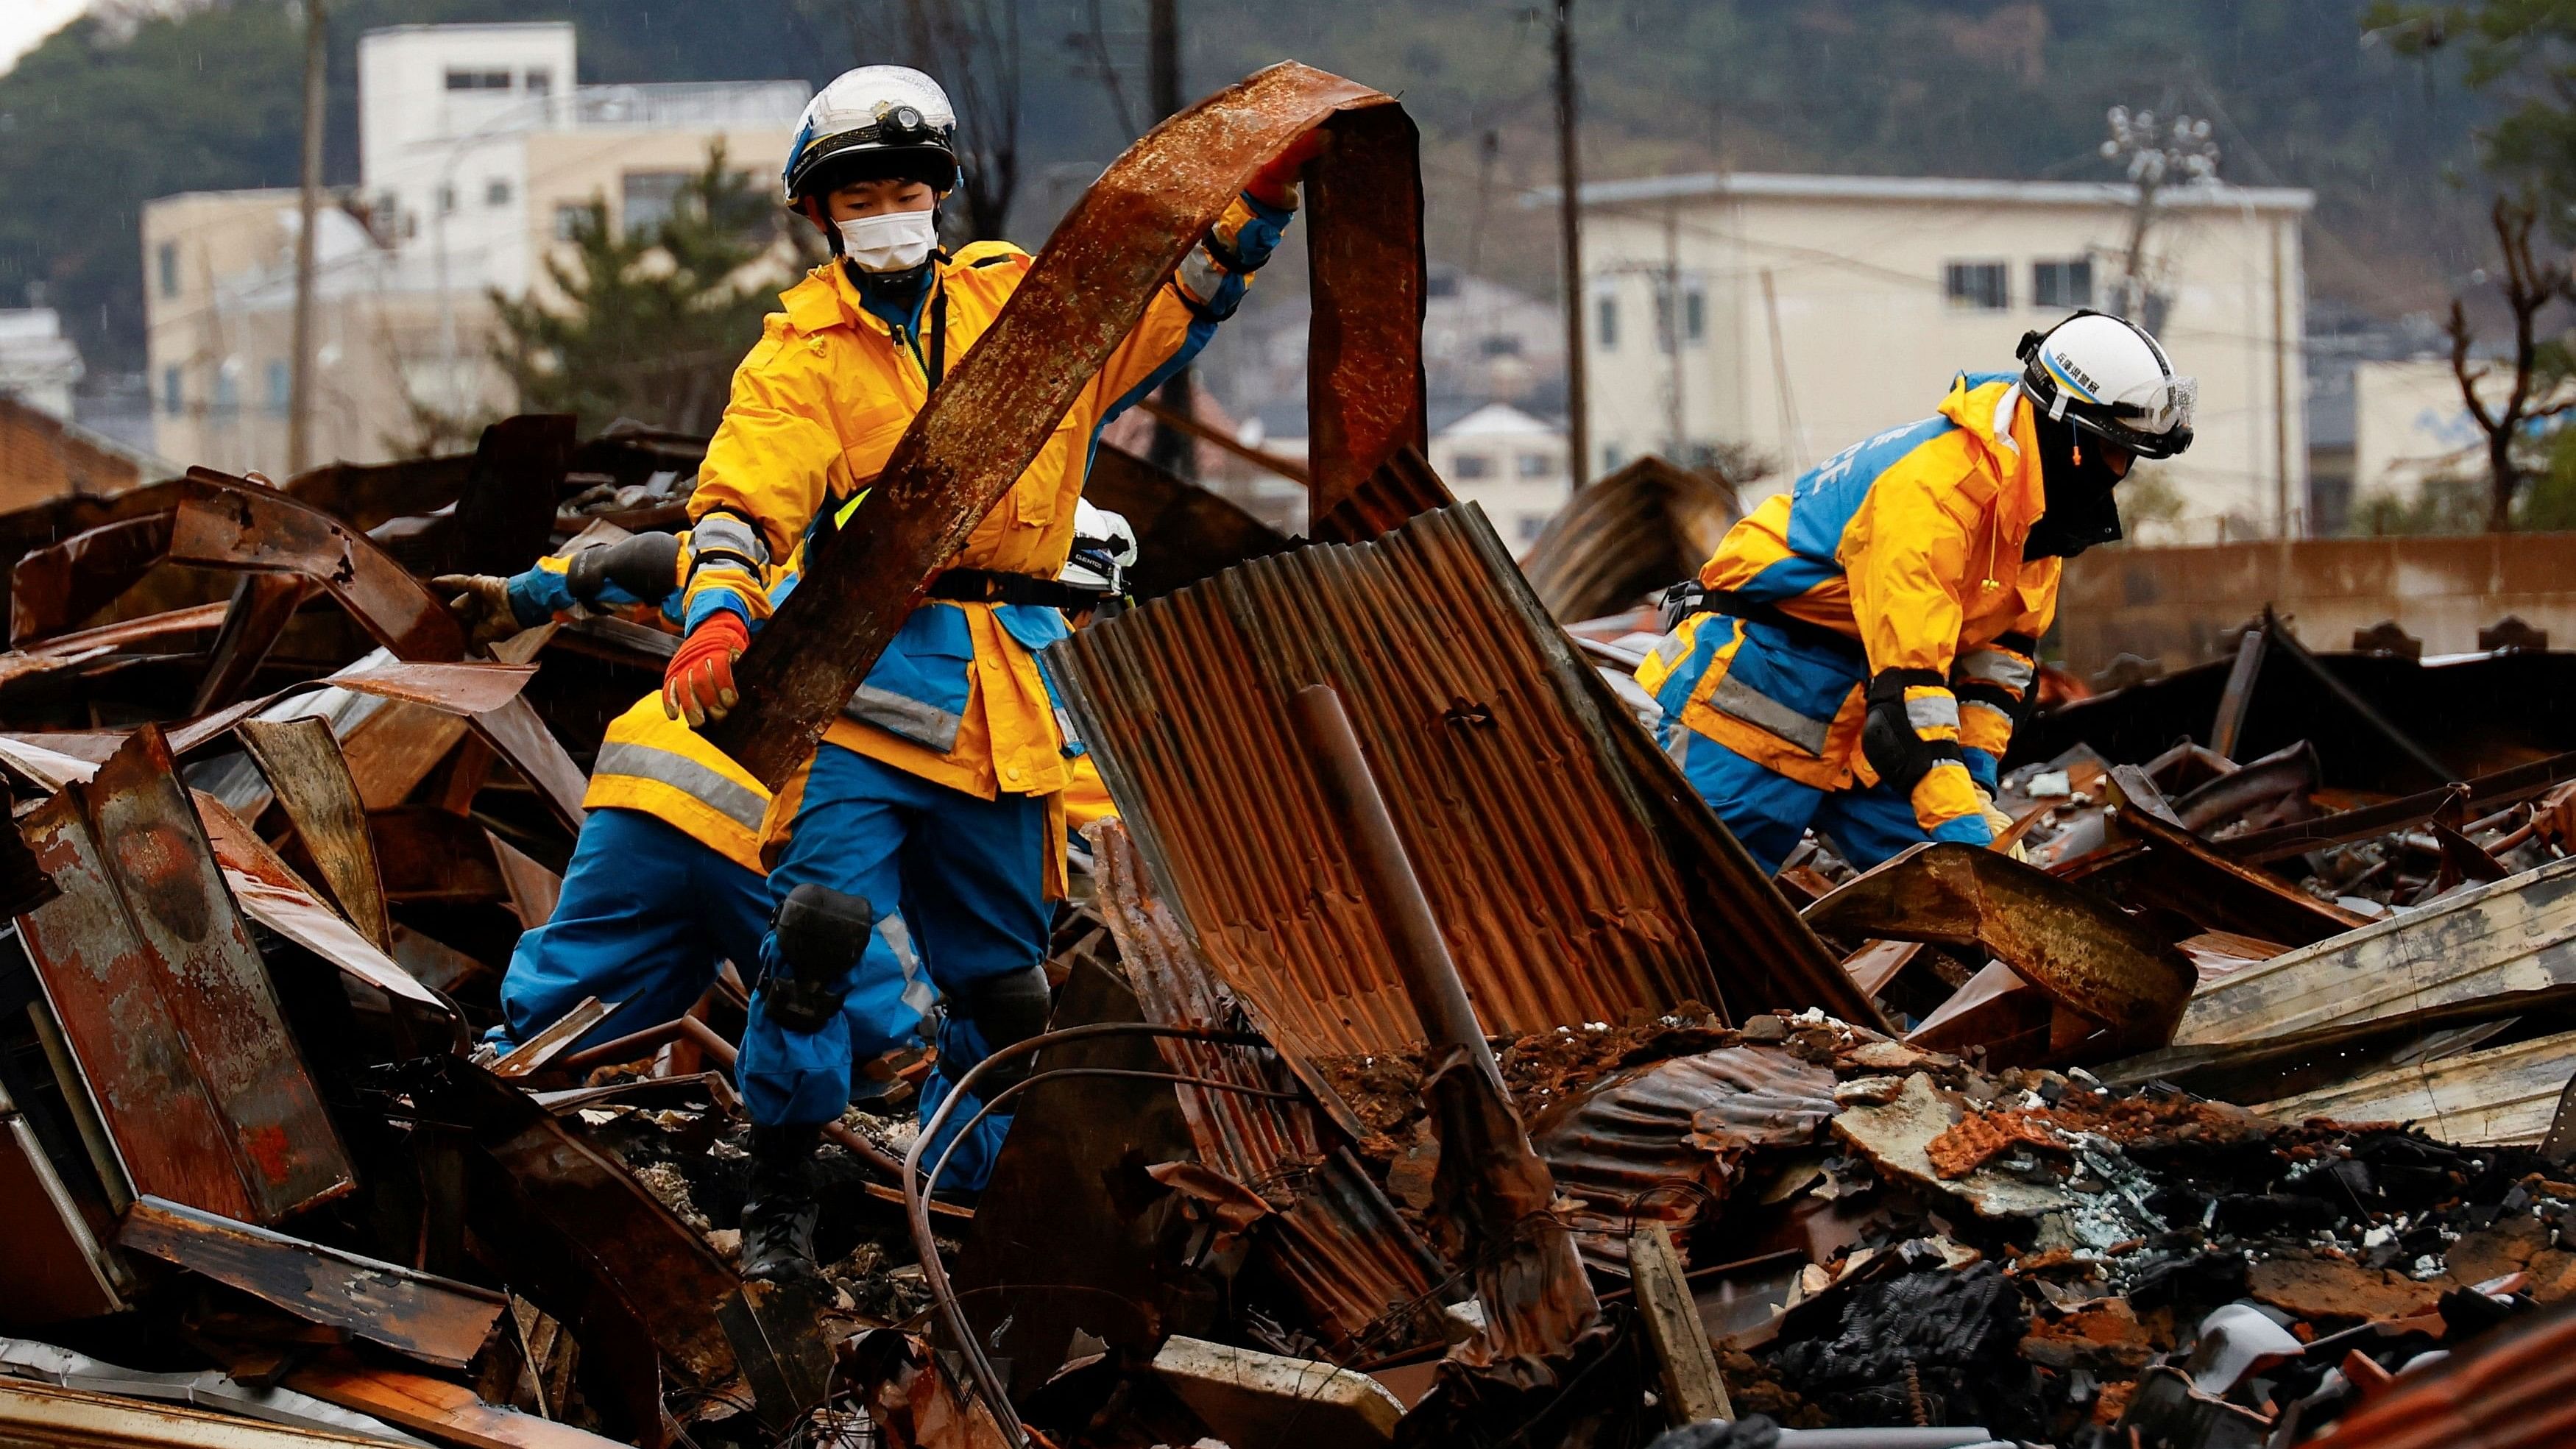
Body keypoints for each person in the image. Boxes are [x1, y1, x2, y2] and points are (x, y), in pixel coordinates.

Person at [665, 59, 1300, 1280]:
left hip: (1011, 699)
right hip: (863, 688)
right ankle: (783, 1195)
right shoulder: (803, 356)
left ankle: (958, 1196)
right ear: (823, 216)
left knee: (1006, 995)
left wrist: (1250, 209)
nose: (885, 209)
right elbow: (745, 499)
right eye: (859, 196)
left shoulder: (1028, 308)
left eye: (903, 186)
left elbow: (1166, 307)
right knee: (816, 934)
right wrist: (718, 613)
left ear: (938, 192)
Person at [1638, 311, 2195, 876]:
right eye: (2114, 451)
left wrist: (1974, 788)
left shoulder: (2036, 513)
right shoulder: (1933, 494)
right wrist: (1972, 844)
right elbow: (1910, 703)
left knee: (1947, 887)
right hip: (1762, 687)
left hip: (1864, 713)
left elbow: (1998, 664)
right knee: (1701, 902)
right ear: (2066, 430)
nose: (2120, 473)